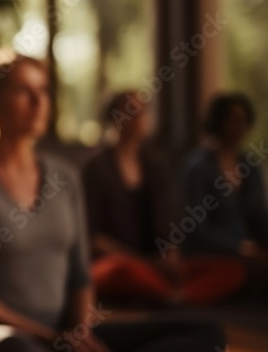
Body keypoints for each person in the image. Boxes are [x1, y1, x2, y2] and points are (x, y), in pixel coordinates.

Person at [0, 49, 227, 352]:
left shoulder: (65, 177)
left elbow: (80, 274)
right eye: (24, 91)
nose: (40, 101)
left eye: (43, 90)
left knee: (207, 333)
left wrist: (80, 333)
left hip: (64, 335)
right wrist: (49, 338)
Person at [84, 91, 245, 306]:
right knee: (119, 271)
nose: (139, 117)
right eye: (131, 110)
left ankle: (174, 295)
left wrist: (170, 257)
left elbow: (170, 227)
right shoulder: (96, 168)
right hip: (122, 264)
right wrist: (143, 262)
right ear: (115, 117)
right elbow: (93, 239)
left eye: (143, 111)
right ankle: (168, 294)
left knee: (230, 270)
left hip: (156, 267)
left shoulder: (156, 165)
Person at [180, 93, 268, 264]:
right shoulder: (198, 168)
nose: (240, 127)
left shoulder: (250, 167)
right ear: (219, 122)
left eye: (243, 121)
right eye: (234, 121)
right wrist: (236, 247)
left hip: (250, 255)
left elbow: (259, 215)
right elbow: (195, 227)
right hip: (211, 257)